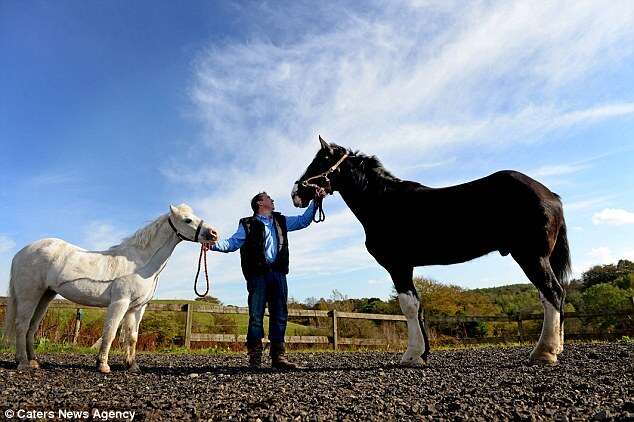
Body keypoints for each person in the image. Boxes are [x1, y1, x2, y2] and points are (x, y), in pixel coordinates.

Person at [211, 189, 326, 369]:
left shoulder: (281, 220)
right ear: (260, 203)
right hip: (257, 275)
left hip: (278, 274)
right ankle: (255, 357)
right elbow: (232, 243)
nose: (272, 200)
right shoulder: (247, 224)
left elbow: (304, 221)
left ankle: (278, 357)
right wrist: (212, 245)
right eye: (269, 198)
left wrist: (316, 201)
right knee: (256, 316)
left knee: (280, 315)